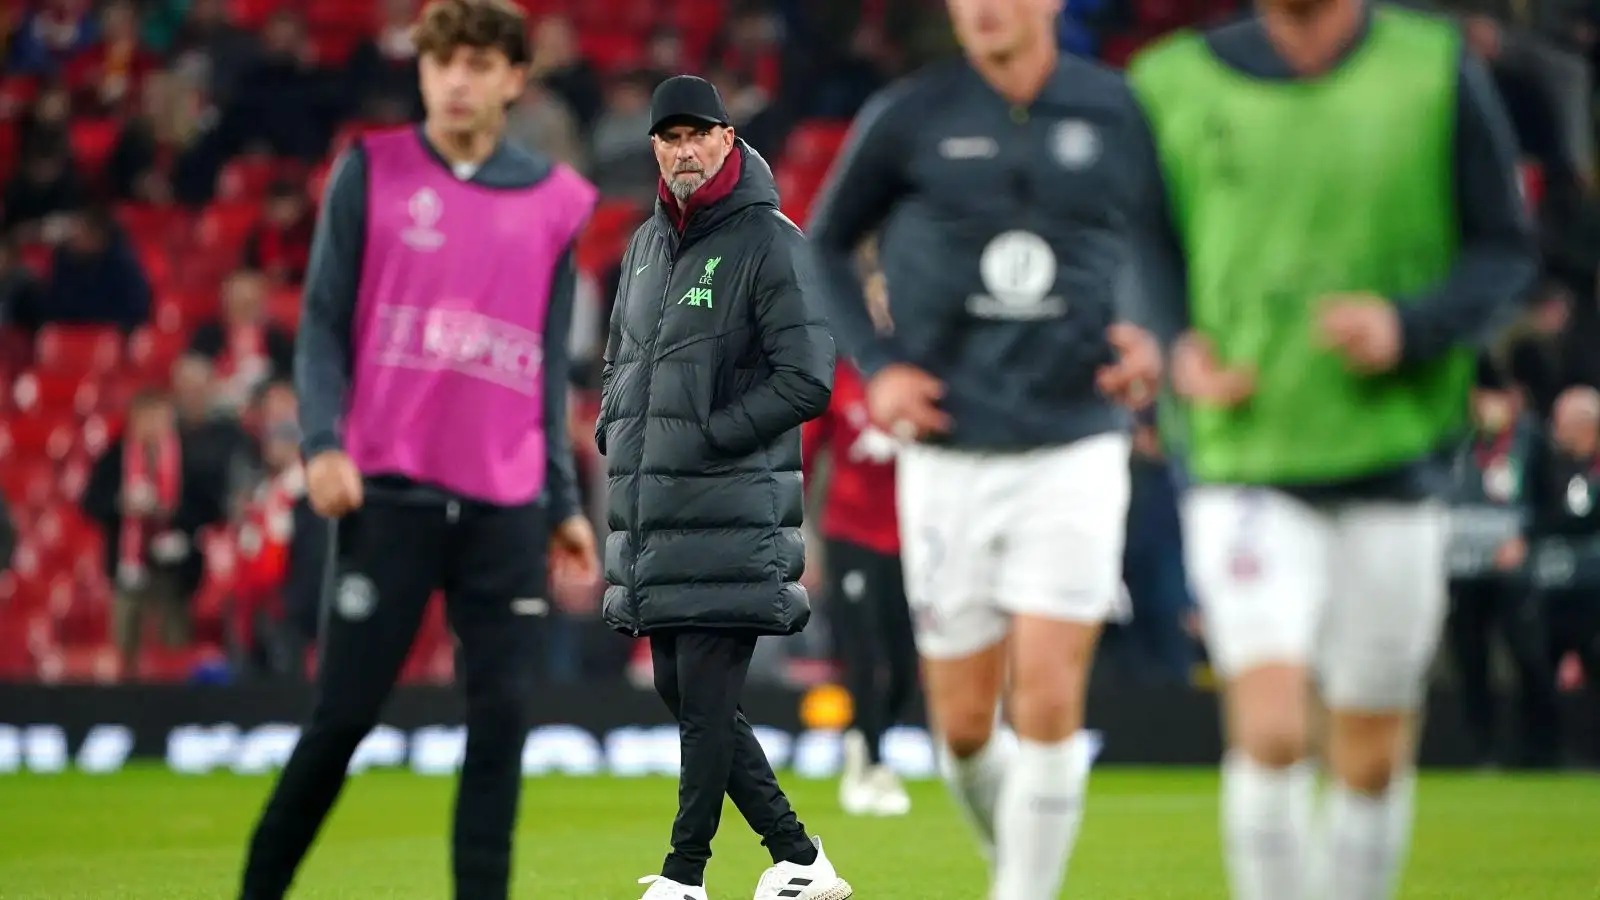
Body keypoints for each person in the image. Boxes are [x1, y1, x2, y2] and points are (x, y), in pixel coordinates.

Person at [1125, 0, 1537, 896]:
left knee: (1372, 753)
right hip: (1243, 456)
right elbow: (1139, 237)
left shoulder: (1433, 68)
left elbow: (1505, 247)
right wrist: (1174, 335)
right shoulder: (1171, 79)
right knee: (1271, 729)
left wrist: (1411, 325)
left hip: (1397, 453)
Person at [237, 2, 600, 898]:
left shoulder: (559, 201)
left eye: (479, 64)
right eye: (443, 64)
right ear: (422, 71)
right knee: (343, 718)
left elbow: (544, 367)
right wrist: (321, 441)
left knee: (501, 723)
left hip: (506, 505)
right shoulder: (371, 172)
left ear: (514, 78)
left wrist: (562, 507)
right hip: (385, 492)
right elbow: (321, 323)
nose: (459, 81)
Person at [806, 0, 1162, 895]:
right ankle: (1021, 865)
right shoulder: (910, 114)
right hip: (949, 453)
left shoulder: (1117, 109)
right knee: (962, 727)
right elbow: (825, 244)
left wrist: (1153, 329)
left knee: (1045, 699)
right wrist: (880, 366)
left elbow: (1172, 234)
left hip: (1073, 444)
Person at [596, 75, 850, 900]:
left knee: (702, 700)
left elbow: (808, 378)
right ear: (654, 149)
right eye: (668, 137)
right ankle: (802, 860)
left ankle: (686, 874)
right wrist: (615, 424)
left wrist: (706, 437)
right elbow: (620, 362)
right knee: (683, 690)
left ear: (728, 138)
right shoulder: (643, 246)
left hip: (730, 510)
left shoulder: (772, 241)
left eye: (697, 133)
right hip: (659, 515)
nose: (683, 149)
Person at [802, 355, 917, 817]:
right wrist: (797, 531)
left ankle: (862, 738)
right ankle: (872, 765)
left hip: (910, 540)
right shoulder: (841, 379)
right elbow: (805, 457)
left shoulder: (920, 380)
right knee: (864, 653)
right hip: (849, 535)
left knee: (906, 663)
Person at [1444, 355, 1558, 767]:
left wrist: (1525, 538)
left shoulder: (1533, 440)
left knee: (1529, 658)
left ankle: (1541, 752)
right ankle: (1482, 754)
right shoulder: (1453, 439)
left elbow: (1553, 502)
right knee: (1471, 663)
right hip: (1461, 571)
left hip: (1513, 571)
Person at [1524, 385, 1600, 766]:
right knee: (1540, 665)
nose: (1556, 429)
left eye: (1565, 421)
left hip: (1595, 592)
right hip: (1553, 589)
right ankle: (1547, 754)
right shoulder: (1549, 466)